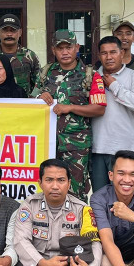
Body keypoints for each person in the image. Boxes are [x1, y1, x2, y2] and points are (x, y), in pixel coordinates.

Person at [37, 29, 107, 198]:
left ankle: (76, 224)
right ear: (53, 50)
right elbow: (32, 100)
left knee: (75, 192)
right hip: (49, 144)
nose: (65, 52)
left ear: (77, 47)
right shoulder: (46, 73)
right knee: (48, 190)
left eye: (68, 47)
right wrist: (40, 97)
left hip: (77, 147)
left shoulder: (90, 75)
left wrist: (71, 108)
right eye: (60, 48)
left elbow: (99, 108)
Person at [90, 36, 134, 193]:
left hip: (125, 149)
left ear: (122, 53)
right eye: (104, 53)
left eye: (113, 52)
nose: (109, 57)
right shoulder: (92, 77)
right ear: (99, 56)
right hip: (98, 148)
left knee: (124, 198)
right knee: (100, 198)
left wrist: (114, 85)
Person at [0, 13, 41, 97]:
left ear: (20, 32)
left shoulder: (30, 56)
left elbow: (38, 83)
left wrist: (30, 100)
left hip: (23, 105)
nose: (9, 34)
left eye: (13, 30)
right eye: (5, 30)